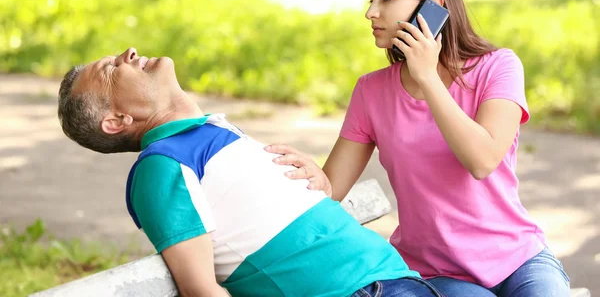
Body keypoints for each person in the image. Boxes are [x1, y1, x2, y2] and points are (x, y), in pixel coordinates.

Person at [265, 0, 571, 297]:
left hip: (519, 258)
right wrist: (315, 177)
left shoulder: (498, 67)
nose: (371, 12)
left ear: (433, 6)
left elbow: (483, 160)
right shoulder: (371, 90)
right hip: (438, 271)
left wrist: (427, 76)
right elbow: (333, 188)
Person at [56, 47, 445, 297]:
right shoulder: (161, 166)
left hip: (397, 278)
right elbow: (201, 290)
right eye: (110, 69)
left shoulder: (213, 131)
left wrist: (321, 185)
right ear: (118, 120)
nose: (129, 52)